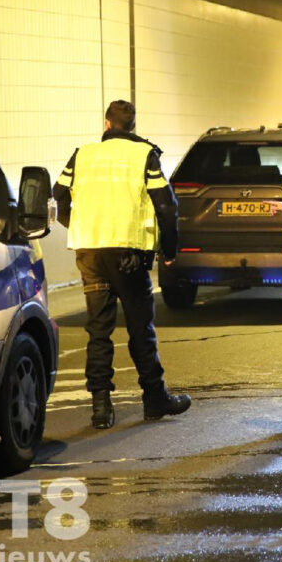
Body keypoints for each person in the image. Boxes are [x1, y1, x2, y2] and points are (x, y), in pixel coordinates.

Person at [53, 100, 191, 429]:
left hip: (90, 254)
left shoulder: (82, 154)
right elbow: (167, 206)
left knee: (98, 331)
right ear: (132, 125)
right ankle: (155, 399)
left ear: (106, 123)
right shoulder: (144, 154)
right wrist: (168, 251)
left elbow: (58, 194)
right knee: (140, 329)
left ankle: (101, 408)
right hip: (128, 256)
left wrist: (77, 226)